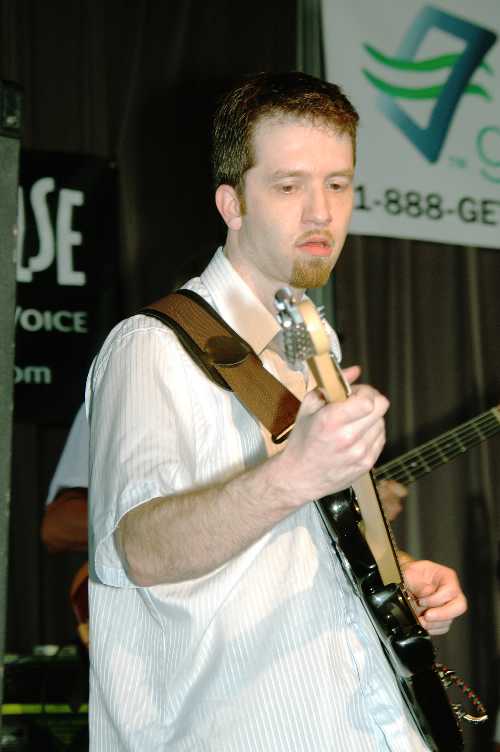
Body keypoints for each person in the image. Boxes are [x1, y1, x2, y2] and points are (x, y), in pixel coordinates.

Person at [86, 71, 467, 751]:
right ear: (231, 203)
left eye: (338, 185)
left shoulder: (315, 343)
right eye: (290, 187)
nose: (321, 213)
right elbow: (135, 550)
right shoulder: (154, 347)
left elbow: (298, 542)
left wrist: (399, 572)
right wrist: (293, 475)